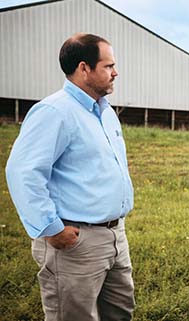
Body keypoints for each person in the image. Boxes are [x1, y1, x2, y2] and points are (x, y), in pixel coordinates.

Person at [5, 33, 135, 321]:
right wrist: (51, 228)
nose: (116, 72)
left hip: (114, 236)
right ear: (84, 68)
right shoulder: (55, 111)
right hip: (76, 242)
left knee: (120, 313)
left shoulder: (105, 112)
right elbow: (23, 172)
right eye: (108, 66)